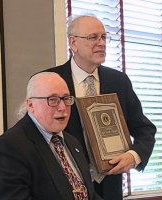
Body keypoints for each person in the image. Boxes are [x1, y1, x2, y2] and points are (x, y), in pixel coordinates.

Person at [44, 15, 156, 200]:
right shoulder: (50, 80)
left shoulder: (119, 81)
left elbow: (144, 129)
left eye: (104, 37)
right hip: (65, 188)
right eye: (93, 37)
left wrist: (134, 155)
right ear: (73, 43)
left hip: (111, 186)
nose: (101, 43)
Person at [0, 72, 103, 200]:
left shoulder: (72, 142)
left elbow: (88, 194)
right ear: (31, 105)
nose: (63, 107)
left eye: (66, 98)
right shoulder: (8, 148)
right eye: (53, 100)